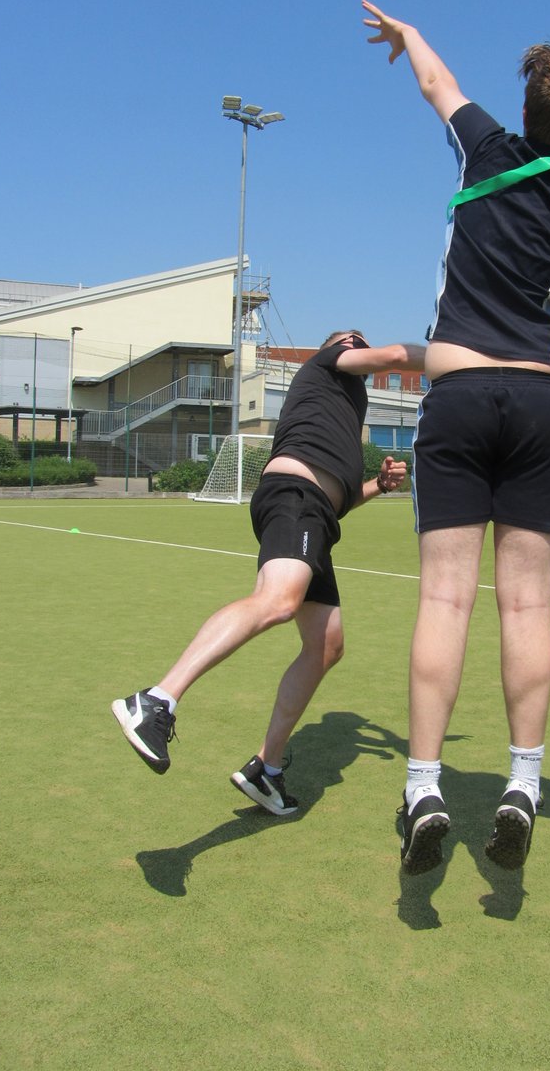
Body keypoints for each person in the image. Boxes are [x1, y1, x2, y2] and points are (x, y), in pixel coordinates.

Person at [363, 0, 550, 874]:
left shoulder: (486, 149)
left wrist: (409, 34)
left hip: (454, 398)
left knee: (444, 601)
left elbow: (437, 82)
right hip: (538, 403)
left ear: (526, 110)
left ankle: (423, 787)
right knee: (525, 605)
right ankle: (522, 782)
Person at [112, 330, 426, 814]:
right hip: (294, 499)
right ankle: (156, 699)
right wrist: (460, 360)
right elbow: (398, 355)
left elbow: (334, 502)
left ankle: (267, 768)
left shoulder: (341, 408)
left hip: (314, 512)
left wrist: (378, 486)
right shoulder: (332, 361)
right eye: (351, 339)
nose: (357, 342)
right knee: (278, 601)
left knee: (326, 645)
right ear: (338, 348)